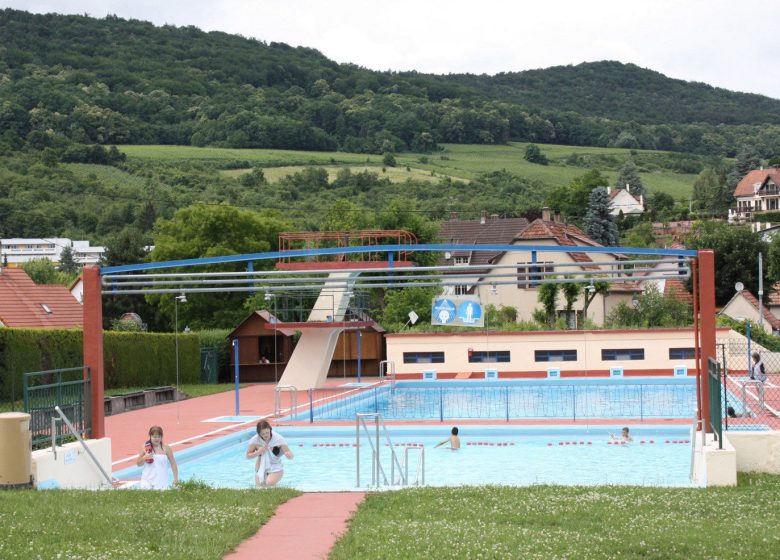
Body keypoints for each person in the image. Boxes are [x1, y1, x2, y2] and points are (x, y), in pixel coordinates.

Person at [246, 420, 293, 486]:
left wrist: (289, 455)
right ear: (259, 433)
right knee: (259, 487)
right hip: (260, 468)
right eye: (263, 434)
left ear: (270, 430)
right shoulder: (255, 440)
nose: (265, 435)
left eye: (267, 432)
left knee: (268, 483)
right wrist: (258, 452)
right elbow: (247, 456)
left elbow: (290, 454)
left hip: (276, 467)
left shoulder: (278, 439)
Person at [136, 425, 178, 489]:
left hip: (162, 481)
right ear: (150, 436)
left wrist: (175, 478)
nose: (157, 439)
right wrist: (145, 457)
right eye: (154, 437)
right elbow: (138, 464)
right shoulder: (145, 447)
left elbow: (173, 463)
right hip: (147, 480)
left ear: (161, 437)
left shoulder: (166, 448)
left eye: (159, 436)